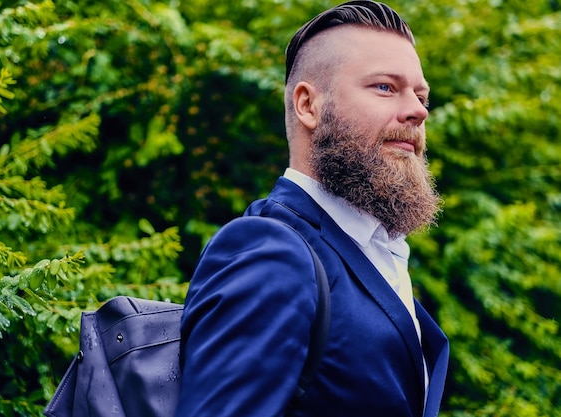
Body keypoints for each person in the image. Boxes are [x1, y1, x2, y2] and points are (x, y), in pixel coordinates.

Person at [175, 1, 449, 416]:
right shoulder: (268, 253)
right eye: (385, 87)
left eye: (421, 95)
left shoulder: (375, 253)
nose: (418, 110)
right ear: (308, 106)